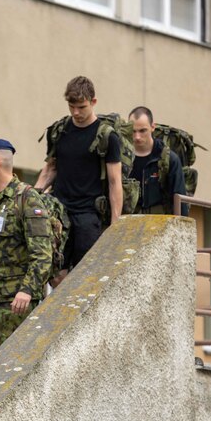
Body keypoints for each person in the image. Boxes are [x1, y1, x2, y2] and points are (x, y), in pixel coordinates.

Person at [0, 140, 53, 369]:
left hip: (13, 301)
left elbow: (42, 254)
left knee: (15, 368)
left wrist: (27, 290)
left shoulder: (26, 199)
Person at [35, 76, 122, 275]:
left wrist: (115, 223)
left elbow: (114, 181)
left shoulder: (107, 137)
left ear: (93, 102)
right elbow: (50, 169)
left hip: (88, 214)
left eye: (81, 107)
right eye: (71, 106)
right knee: (56, 274)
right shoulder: (59, 131)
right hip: (59, 210)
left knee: (85, 274)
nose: (76, 112)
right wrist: (33, 196)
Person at [128, 106, 189, 216]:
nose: (137, 137)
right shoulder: (122, 158)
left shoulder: (169, 159)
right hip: (128, 222)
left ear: (153, 127)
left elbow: (180, 201)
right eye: (133, 131)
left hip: (160, 221)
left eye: (142, 131)